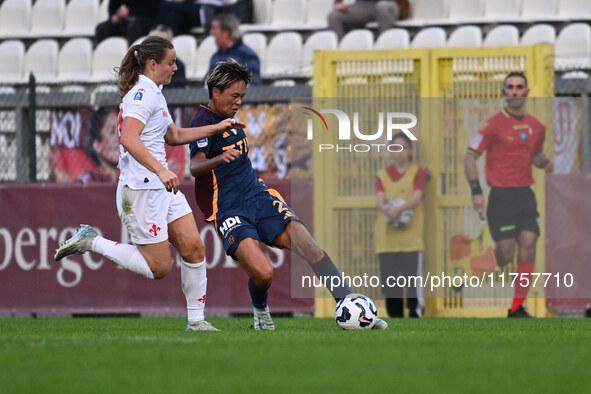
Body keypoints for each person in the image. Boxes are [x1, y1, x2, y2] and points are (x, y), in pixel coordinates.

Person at [54, 36, 245, 331]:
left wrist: (218, 126)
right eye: (171, 62)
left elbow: (175, 136)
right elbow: (129, 138)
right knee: (159, 268)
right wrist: (161, 170)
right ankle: (91, 240)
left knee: (194, 249)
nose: (175, 67)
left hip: (160, 185)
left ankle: (196, 321)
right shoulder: (141, 94)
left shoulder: (155, 92)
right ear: (153, 64)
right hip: (140, 190)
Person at [189, 59, 388, 330]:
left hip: (258, 196)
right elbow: (195, 166)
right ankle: (260, 312)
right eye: (234, 96)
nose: (238, 102)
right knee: (263, 273)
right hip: (228, 209)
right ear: (215, 92)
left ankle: (357, 310)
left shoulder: (229, 118)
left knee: (312, 249)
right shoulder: (202, 121)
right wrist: (219, 158)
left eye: (242, 97)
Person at [464, 72, 553, 318]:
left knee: (529, 247)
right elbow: (470, 156)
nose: (514, 92)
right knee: (505, 256)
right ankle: (466, 271)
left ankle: (516, 308)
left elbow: (534, 155)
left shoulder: (537, 127)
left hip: (525, 195)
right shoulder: (492, 125)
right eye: (510, 87)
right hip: (501, 197)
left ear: (526, 92)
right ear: (504, 93)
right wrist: (476, 192)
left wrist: (543, 162)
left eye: (519, 87)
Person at [374, 132, 426, 318]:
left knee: (413, 282)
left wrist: (401, 208)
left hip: (411, 240)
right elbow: (380, 200)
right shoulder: (382, 175)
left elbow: (417, 197)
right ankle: (394, 319)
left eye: (403, 147)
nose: (399, 152)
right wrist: (387, 209)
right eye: (394, 148)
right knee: (390, 285)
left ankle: (415, 315)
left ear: (410, 150)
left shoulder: (417, 172)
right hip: (387, 240)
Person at [207, 13, 261, 85]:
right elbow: (205, 84)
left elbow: (253, 84)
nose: (211, 32)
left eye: (214, 28)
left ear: (226, 32)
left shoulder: (247, 55)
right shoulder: (215, 57)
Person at [151, 0, 252, 36]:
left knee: (165, 5)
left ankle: (156, 33)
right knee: (173, 17)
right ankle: (165, 42)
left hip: (211, 8)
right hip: (196, 9)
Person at [327, 0, 408, 40]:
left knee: (383, 8)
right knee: (334, 16)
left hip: (390, 2)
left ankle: (386, 52)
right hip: (365, 5)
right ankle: (339, 58)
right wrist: (338, 3)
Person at [78, 109, 120, 184]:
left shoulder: (132, 178)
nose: (119, 137)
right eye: (112, 132)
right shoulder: (88, 182)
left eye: (120, 130)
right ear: (97, 146)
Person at [95, 0, 162, 45]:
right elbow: (113, 6)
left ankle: (134, 58)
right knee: (102, 28)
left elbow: (153, 8)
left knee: (134, 26)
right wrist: (114, 16)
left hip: (147, 19)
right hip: (125, 20)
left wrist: (131, 11)